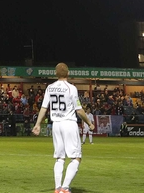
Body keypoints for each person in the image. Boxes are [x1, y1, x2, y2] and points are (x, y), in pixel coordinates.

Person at [33, 63, 94, 193]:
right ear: (68, 73)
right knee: (76, 157)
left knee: (60, 157)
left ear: (56, 73)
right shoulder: (71, 88)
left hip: (56, 124)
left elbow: (44, 107)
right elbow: (79, 110)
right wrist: (89, 123)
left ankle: (57, 187)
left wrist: (38, 124)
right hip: (68, 123)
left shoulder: (50, 87)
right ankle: (65, 188)